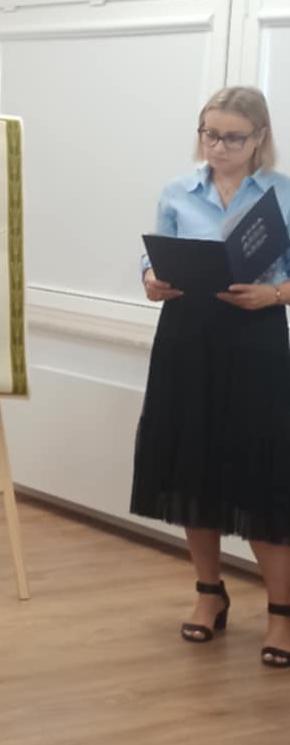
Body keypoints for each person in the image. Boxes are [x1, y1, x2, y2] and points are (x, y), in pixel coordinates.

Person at [133, 85, 290, 668]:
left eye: (232, 137)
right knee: (192, 464)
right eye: (209, 134)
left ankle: (281, 613)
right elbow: (154, 257)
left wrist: (275, 294)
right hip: (186, 337)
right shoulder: (179, 190)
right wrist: (151, 279)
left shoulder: (282, 194)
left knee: (261, 471)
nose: (218, 146)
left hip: (256, 337)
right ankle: (209, 593)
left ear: (260, 138)